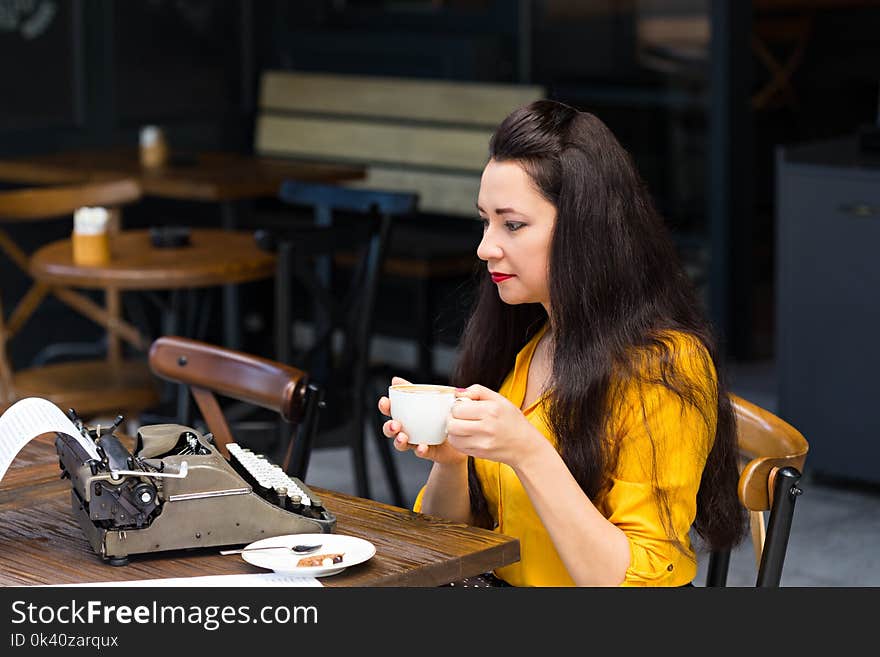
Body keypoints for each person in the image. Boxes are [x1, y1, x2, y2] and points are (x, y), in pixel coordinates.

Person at [377, 100, 747, 587]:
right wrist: (452, 460)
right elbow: (449, 548)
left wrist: (527, 452)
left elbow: (642, 582)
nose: (485, 247)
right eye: (484, 221)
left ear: (584, 228)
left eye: (512, 224)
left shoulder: (665, 366)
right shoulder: (534, 342)